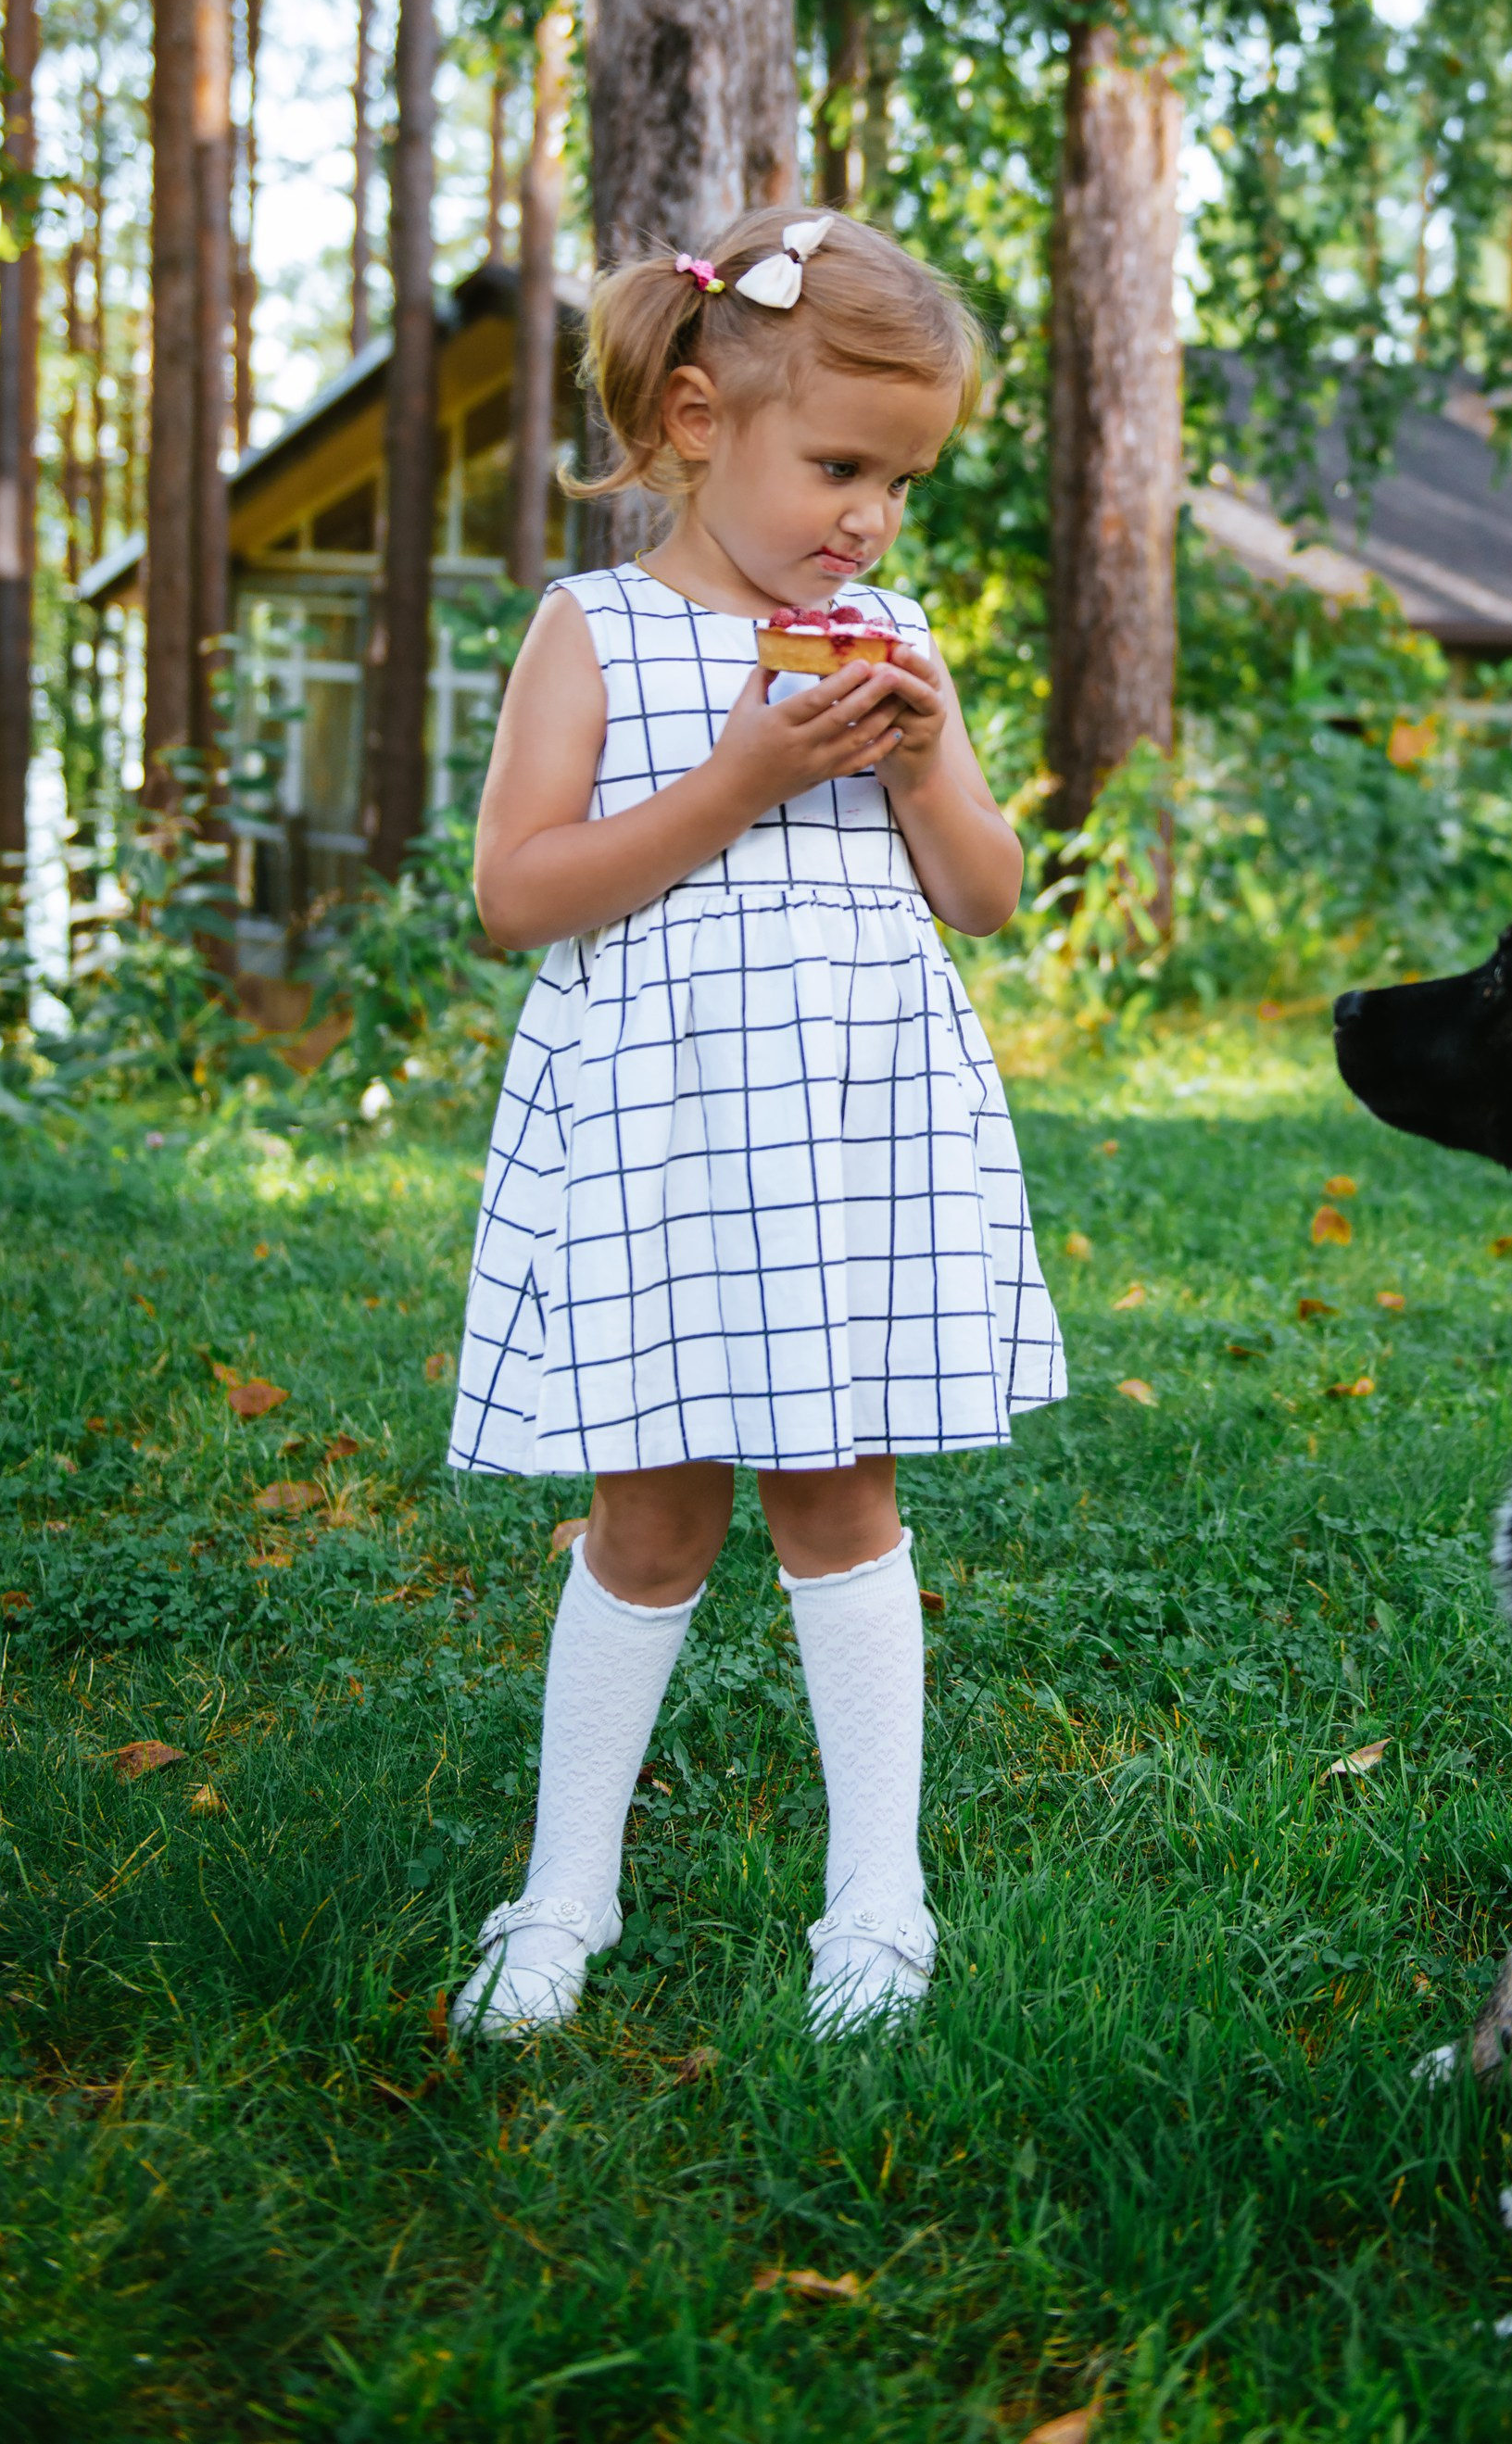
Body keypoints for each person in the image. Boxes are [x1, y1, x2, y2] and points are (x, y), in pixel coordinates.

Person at [444, 206, 1065, 2042]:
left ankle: (878, 1902)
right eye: (840, 465)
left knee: (837, 1491)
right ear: (700, 418)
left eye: (901, 481)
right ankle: (564, 1890)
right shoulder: (600, 631)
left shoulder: (884, 638)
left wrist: (923, 746)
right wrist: (737, 778)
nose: (869, 516)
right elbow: (517, 891)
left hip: (844, 1134)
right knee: (645, 1517)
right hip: (664, 1137)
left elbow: (985, 892)